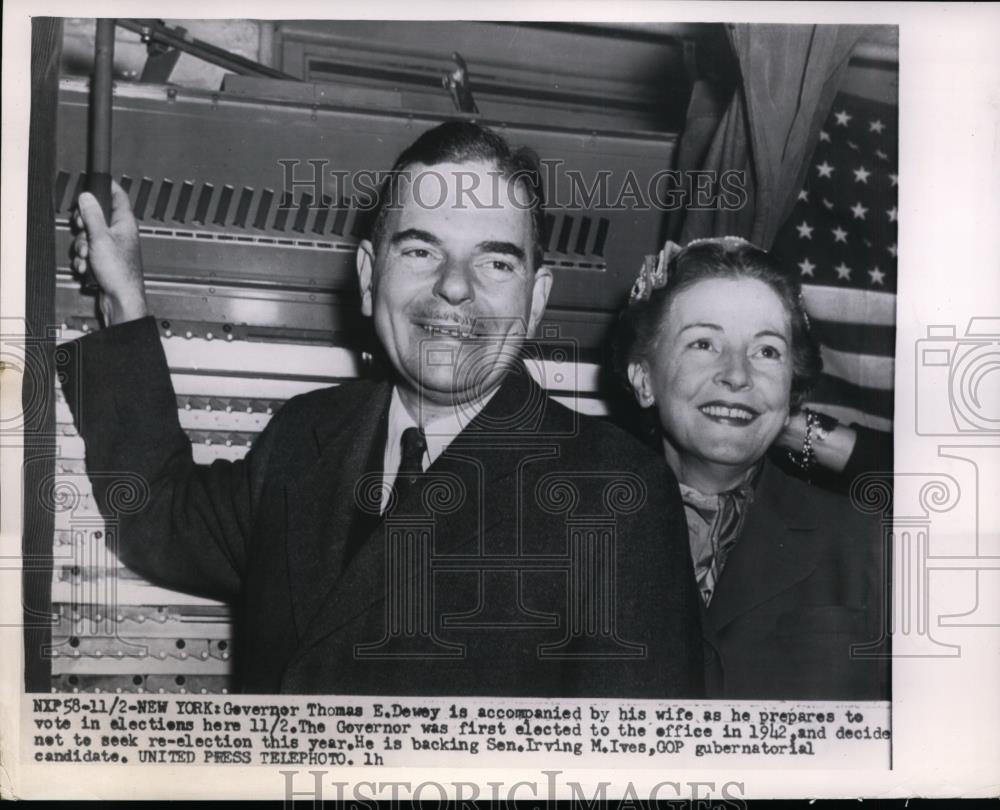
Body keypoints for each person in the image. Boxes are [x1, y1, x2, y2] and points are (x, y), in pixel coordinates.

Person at [64, 121, 703, 697]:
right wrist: (124, 299)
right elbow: (160, 516)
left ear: (536, 302)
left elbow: (636, 776)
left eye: (496, 260)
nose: (455, 286)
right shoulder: (304, 434)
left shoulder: (618, 492)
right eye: (421, 251)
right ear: (370, 278)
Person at [614, 236, 888, 700]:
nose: (738, 374)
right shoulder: (569, 532)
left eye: (766, 352)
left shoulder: (868, 544)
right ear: (644, 379)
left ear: (791, 391)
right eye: (704, 343)